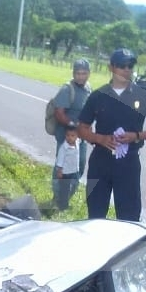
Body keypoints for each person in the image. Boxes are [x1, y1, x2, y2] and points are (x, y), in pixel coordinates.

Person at [77, 48, 146, 221]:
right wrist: (99, 138)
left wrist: (137, 135)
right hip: (100, 161)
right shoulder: (98, 96)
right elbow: (82, 128)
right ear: (111, 67)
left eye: (130, 65)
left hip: (128, 163)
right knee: (95, 214)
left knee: (129, 217)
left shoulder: (143, 95)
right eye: (121, 66)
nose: (126, 70)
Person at [51, 58, 92, 204]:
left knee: (78, 167)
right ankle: (57, 198)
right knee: (62, 168)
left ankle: (66, 197)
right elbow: (59, 113)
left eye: (84, 73)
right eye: (78, 73)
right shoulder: (67, 89)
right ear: (74, 73)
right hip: (66, 137)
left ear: (89, 74)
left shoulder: (88, 88)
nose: (81, 76)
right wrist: (73, 124)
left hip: (81, 138)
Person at [53, 124, 81, 211]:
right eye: (68, 135)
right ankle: (62, 206)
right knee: (64, 190)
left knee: (73, 186)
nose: (70, 138)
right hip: (65, 173)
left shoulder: (77, 143)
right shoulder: (64, 148)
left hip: (73, 170)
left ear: (77, 136)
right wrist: (59, 171)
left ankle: (65, 202)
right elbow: (60, 160)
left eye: (72, 136)